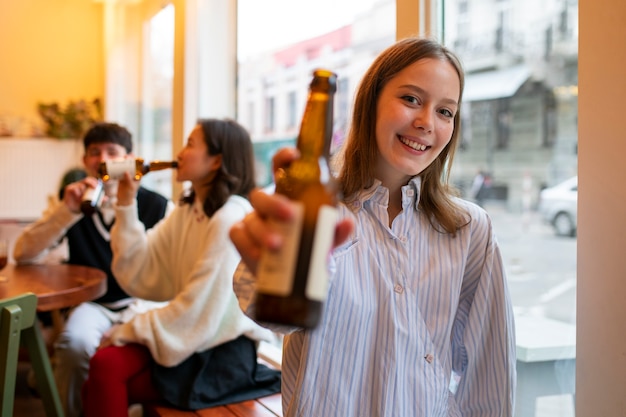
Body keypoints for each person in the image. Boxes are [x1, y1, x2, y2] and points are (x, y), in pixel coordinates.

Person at [229, 37, 517, 416]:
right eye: (411, 99)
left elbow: (488, 377)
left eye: (446, 112)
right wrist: (270, 265)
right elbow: (267, 310)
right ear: (370, 102)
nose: (426, 122)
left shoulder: (470, 230)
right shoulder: (322, 214)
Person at [82, 118, 281, 417]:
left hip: (220, 355)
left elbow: (199, 308)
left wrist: (128, 329)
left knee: (105, 369)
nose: (180, 153)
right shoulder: (189, 210)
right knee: (103, 369)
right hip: (190, 340)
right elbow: (138, 267)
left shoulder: (230, 218)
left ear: (216, 161)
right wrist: (126, 201)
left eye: (190, 144)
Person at [13, 122, 173, 417]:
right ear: (84, 161)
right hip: (94, 305)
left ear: (130, 159)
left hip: (143, 304)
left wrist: (128, 325)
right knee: (74, 345)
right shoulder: (74, 201)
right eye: (94, 152)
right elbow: (22, 254)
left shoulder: (158, 206)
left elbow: (173, 273)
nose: (102, 159)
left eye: (112, 152)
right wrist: (67, 212)